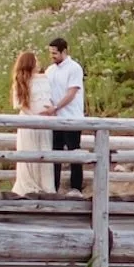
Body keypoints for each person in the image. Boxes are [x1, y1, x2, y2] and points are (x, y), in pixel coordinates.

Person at [37, 31, 86, 192]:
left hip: (72, 117)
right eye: (51, 53)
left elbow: (71, 92)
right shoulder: (50, 70)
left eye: (55, 53)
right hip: (55, 119)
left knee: (74, 153)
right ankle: (54, 186)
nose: (52, 56)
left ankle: (76, 187)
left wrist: (56, 107)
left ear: (64, 51)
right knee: (55, 154)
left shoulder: (74, 68)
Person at [10, 49, 50, 196]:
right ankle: (29, 184)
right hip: (28, 121)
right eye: (36, 61)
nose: (39, 63)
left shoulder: (43, 79)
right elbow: (20, 104)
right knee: (29, 150)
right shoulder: (20, 82)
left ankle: (44, 184)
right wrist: (34, 116)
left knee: (44, 150)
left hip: (44, 123)